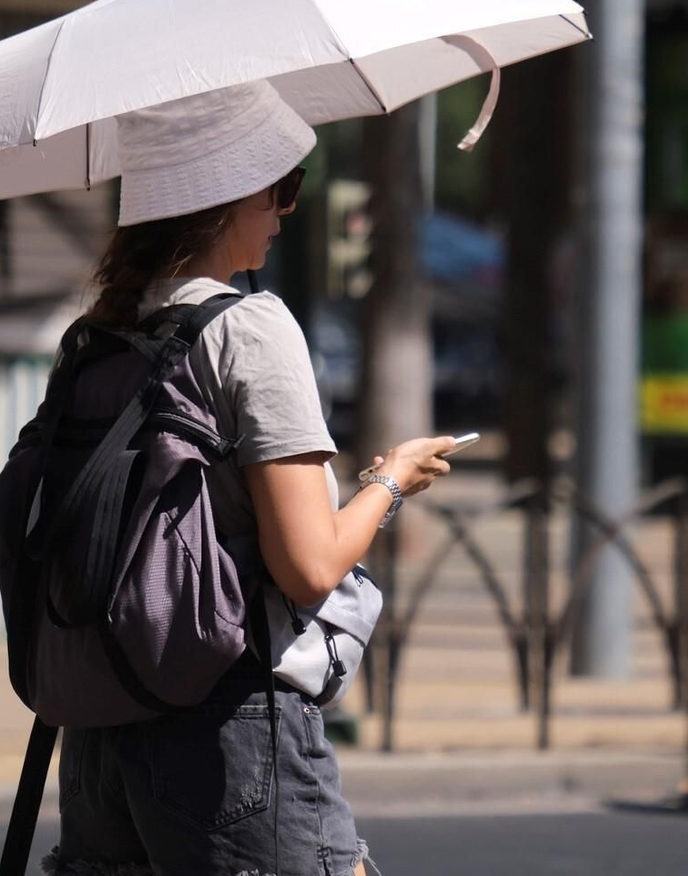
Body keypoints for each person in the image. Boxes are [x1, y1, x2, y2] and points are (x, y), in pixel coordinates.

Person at [44, 79, 454, 876]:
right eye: (283, 187)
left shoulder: (94, 338)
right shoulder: (248, 328)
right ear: (228, 195)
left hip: (97, 730)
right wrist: (392, 482)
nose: (285, 210)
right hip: (229, 723)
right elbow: (307, 566)